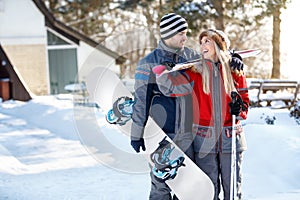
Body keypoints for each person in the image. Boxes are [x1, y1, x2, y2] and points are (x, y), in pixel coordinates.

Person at [153, 29, 250, 200]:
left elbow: (245, 105)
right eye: (201, 42)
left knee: (233, 189)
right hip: (205, 140)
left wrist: (239, 108)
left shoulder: (235, 71)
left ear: (218, 45)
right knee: (208, 190)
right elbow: (169, 88)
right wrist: (165, 71)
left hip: (231, 138)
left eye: (207, 41)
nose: (203, 45)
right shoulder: (194, 72)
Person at [130, 13, 199, 200]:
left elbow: (215, 74)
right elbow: (141, 101)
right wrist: (137, 134)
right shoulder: (148, 63)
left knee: (186, 185)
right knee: (161, 185)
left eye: (186, 33)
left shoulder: (192, 57)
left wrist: (232, 63)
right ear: (168, 34)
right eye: (181, 33)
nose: (185, 37)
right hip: (161, 134)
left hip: (189, 132)